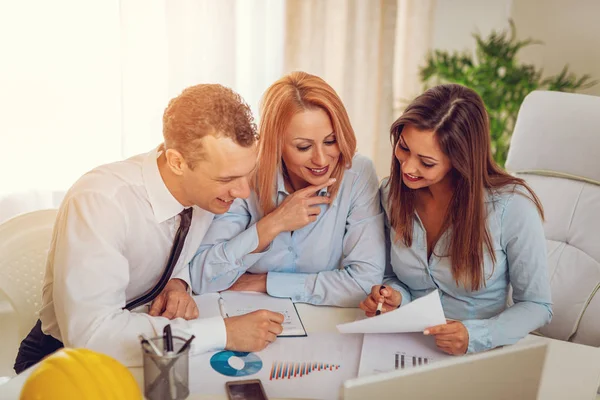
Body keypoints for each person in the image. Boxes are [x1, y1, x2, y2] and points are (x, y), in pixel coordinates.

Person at [14, 84, 284, 372]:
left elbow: (171, 251)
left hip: (149, 344)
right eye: (227, 179)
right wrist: (224, 333)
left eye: (247, 174)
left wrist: (177, 283)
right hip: (63, 362)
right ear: (177, 162)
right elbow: (92, 337)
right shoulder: (102, 202)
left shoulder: (204, 192)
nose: (243, 191)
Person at [360, 84, 552, 354]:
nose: (408, 167)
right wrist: (393, 296)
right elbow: (393, 275)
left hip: (481, 353)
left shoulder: (512, 207)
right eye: (404, 148)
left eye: (426, 162)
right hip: (407, 344)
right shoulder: (392, 193)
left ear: (460, 160)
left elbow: (537, 305)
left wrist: (475, 336)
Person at [189, 71, 385, 307]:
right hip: (249, 317)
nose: (322, 160)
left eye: (330, 141)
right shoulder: (247, 176)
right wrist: (274, 224)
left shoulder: (358, 175)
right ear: (276, 143)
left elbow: (364, 283)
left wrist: (266, 282)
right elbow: (202, 276)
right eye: (303, 147)